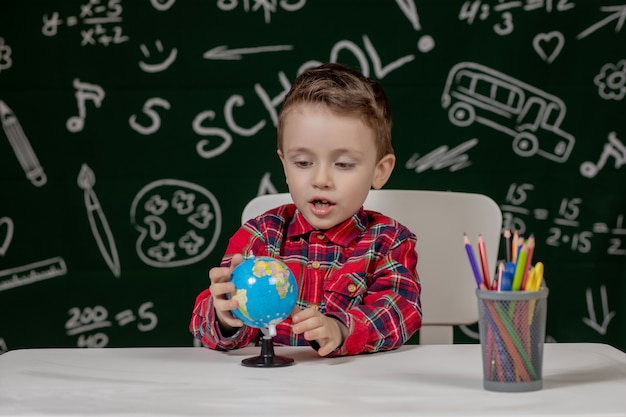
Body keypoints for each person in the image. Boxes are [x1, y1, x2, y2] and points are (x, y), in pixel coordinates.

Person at [189, 62, 422, 357]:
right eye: (302, 163)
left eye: (344, 164)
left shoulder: (389, 240)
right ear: (284, 164)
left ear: (380, 171)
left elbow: (401, 309)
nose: (321, 180)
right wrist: (225, 317)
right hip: (273, 395)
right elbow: (205, 325)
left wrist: (342, 329)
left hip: (356, 393)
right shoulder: (261, 235)